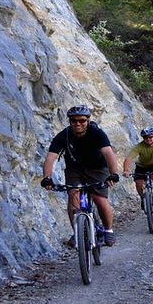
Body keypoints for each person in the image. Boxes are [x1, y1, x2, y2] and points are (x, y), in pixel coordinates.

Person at [41, 105, 120, 247]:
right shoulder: (63, 136)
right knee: (73, 196)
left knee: (99, 198)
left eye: (82, 120)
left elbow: (108, 153)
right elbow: (50, 158)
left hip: (97, 168)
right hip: (74, 169)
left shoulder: (97, 133)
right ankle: (77, 232)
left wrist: (113, 174)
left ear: (88, 120)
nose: (78, 123)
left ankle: (108, 230)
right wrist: (47, 177)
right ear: (70, 121)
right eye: (74, 120)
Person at [122, 127, 153, 208]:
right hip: (142, 166)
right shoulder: (139, 146)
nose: (148, 139)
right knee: (138, 182)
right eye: (145, 137)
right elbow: (129, 158)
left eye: (150, 137)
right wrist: (126, 170)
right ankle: (143, 199)